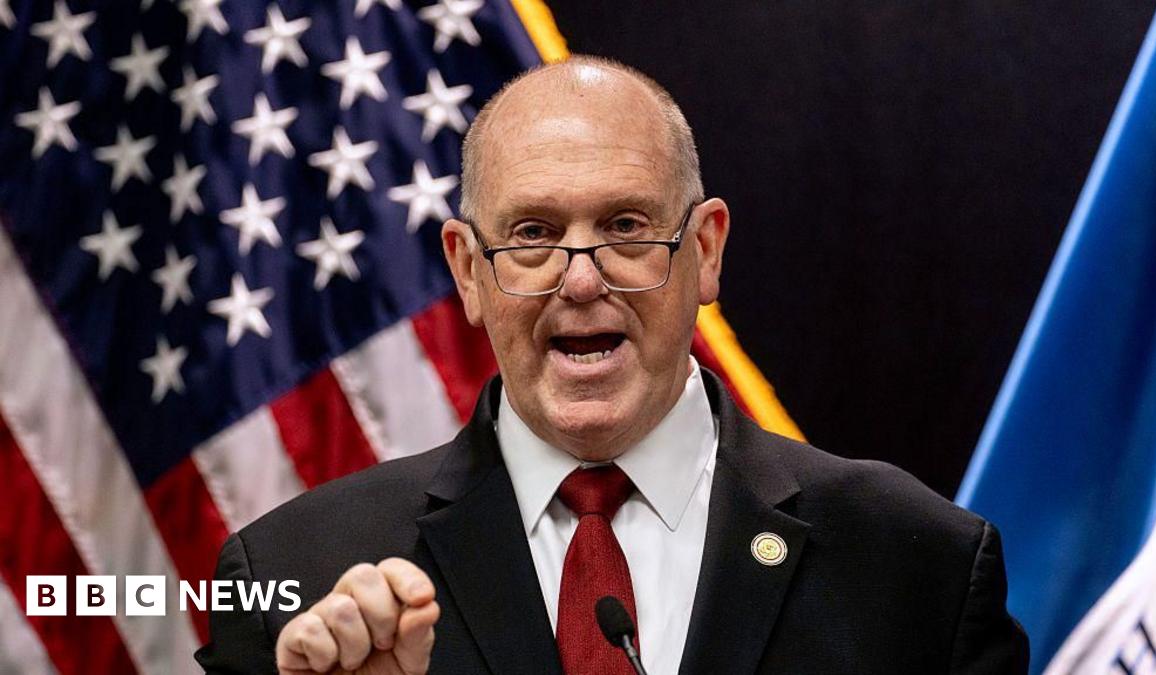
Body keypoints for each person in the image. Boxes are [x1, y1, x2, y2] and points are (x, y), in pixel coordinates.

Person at [196, 56, 1029, 674]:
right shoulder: (295, 577)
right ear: (466, 271)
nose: (582, 279)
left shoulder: (916, 568)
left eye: (627, 225)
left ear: (705, 251)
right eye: (531, 235)